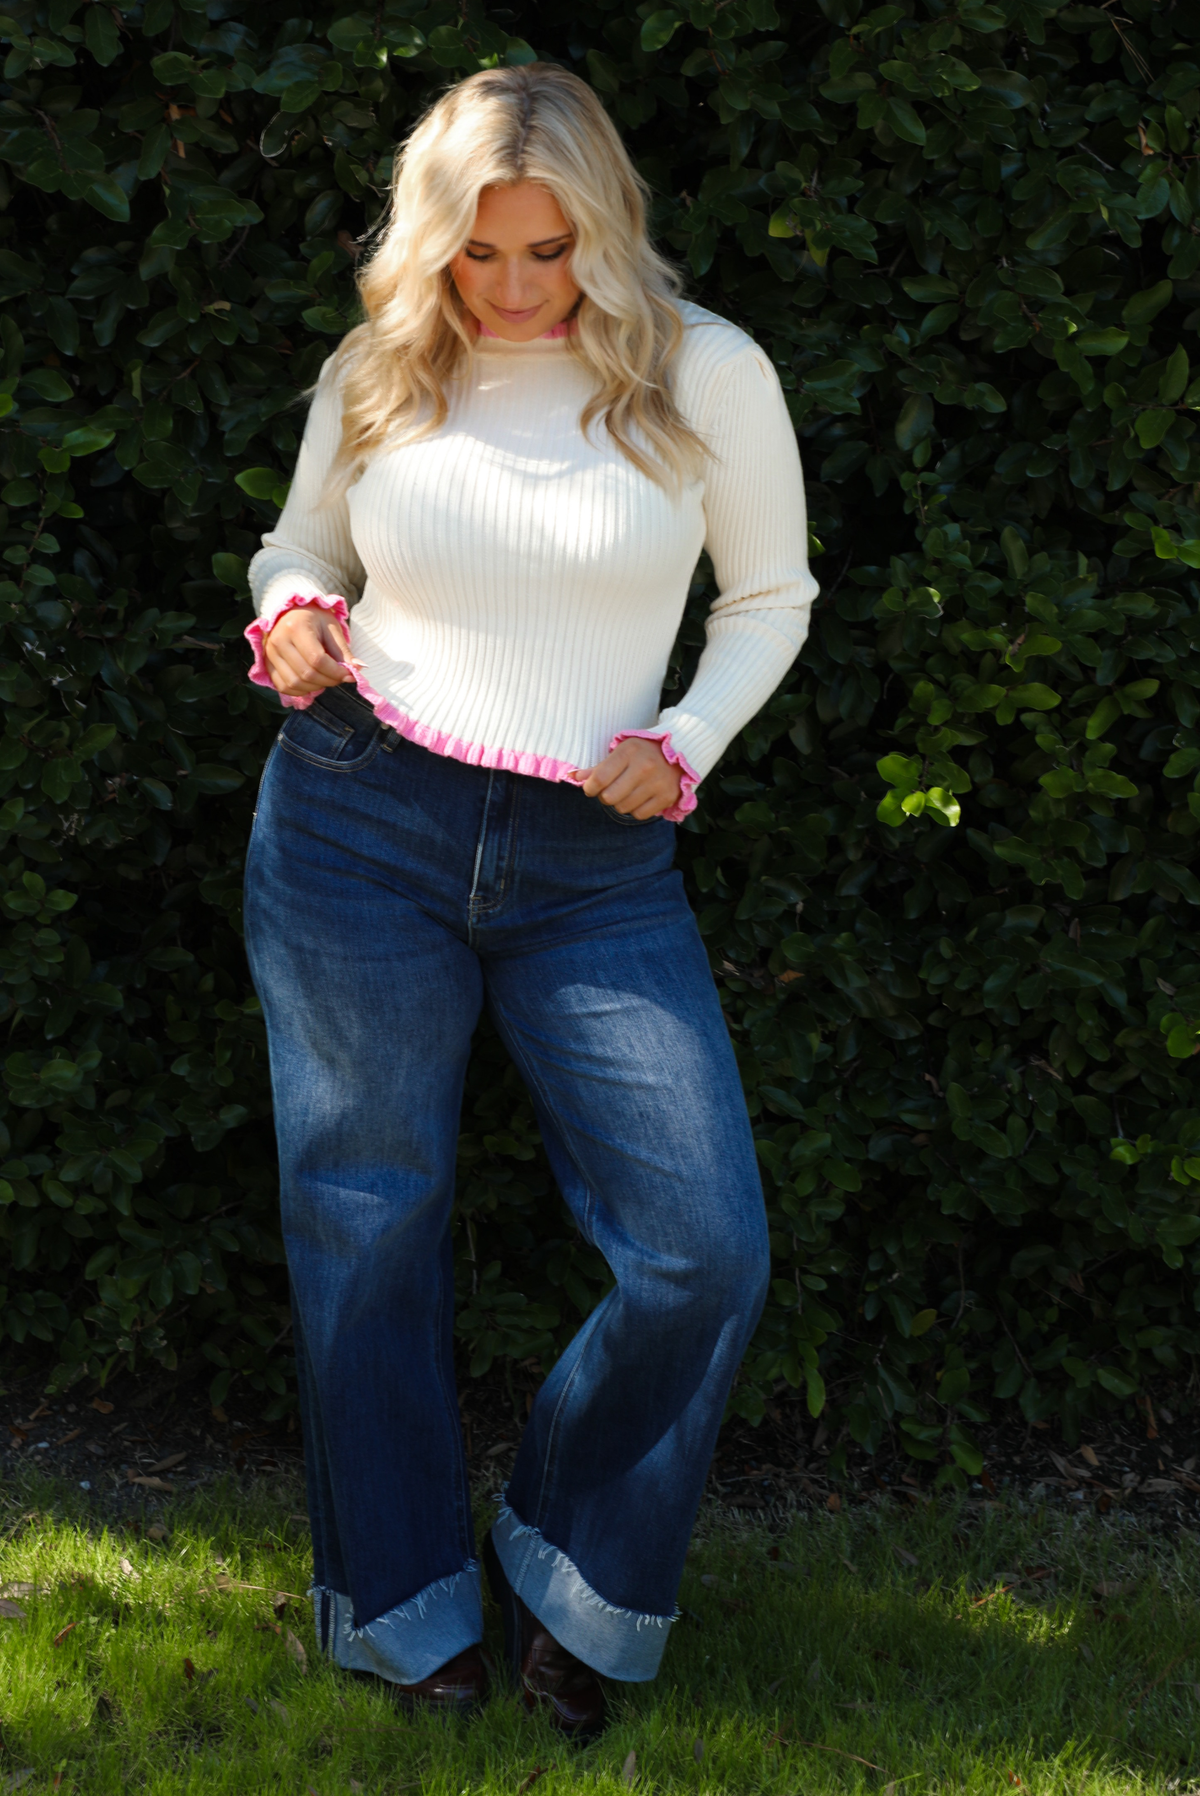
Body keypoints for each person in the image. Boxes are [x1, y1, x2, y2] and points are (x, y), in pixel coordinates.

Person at [241, 61, 816, 1738]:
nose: (509, 290)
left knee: (704, 1250)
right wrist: (287, 620)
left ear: (605, 233)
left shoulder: (708, 374)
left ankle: (574, 1564)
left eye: (549, 253)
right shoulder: (383, 363)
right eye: (479, 255)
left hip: (594, 860)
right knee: (365, 1225)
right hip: (359, 822)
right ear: (433, 244)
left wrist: (690, 737)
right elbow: (298, 549)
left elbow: (769, 595)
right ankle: (409, 1604)